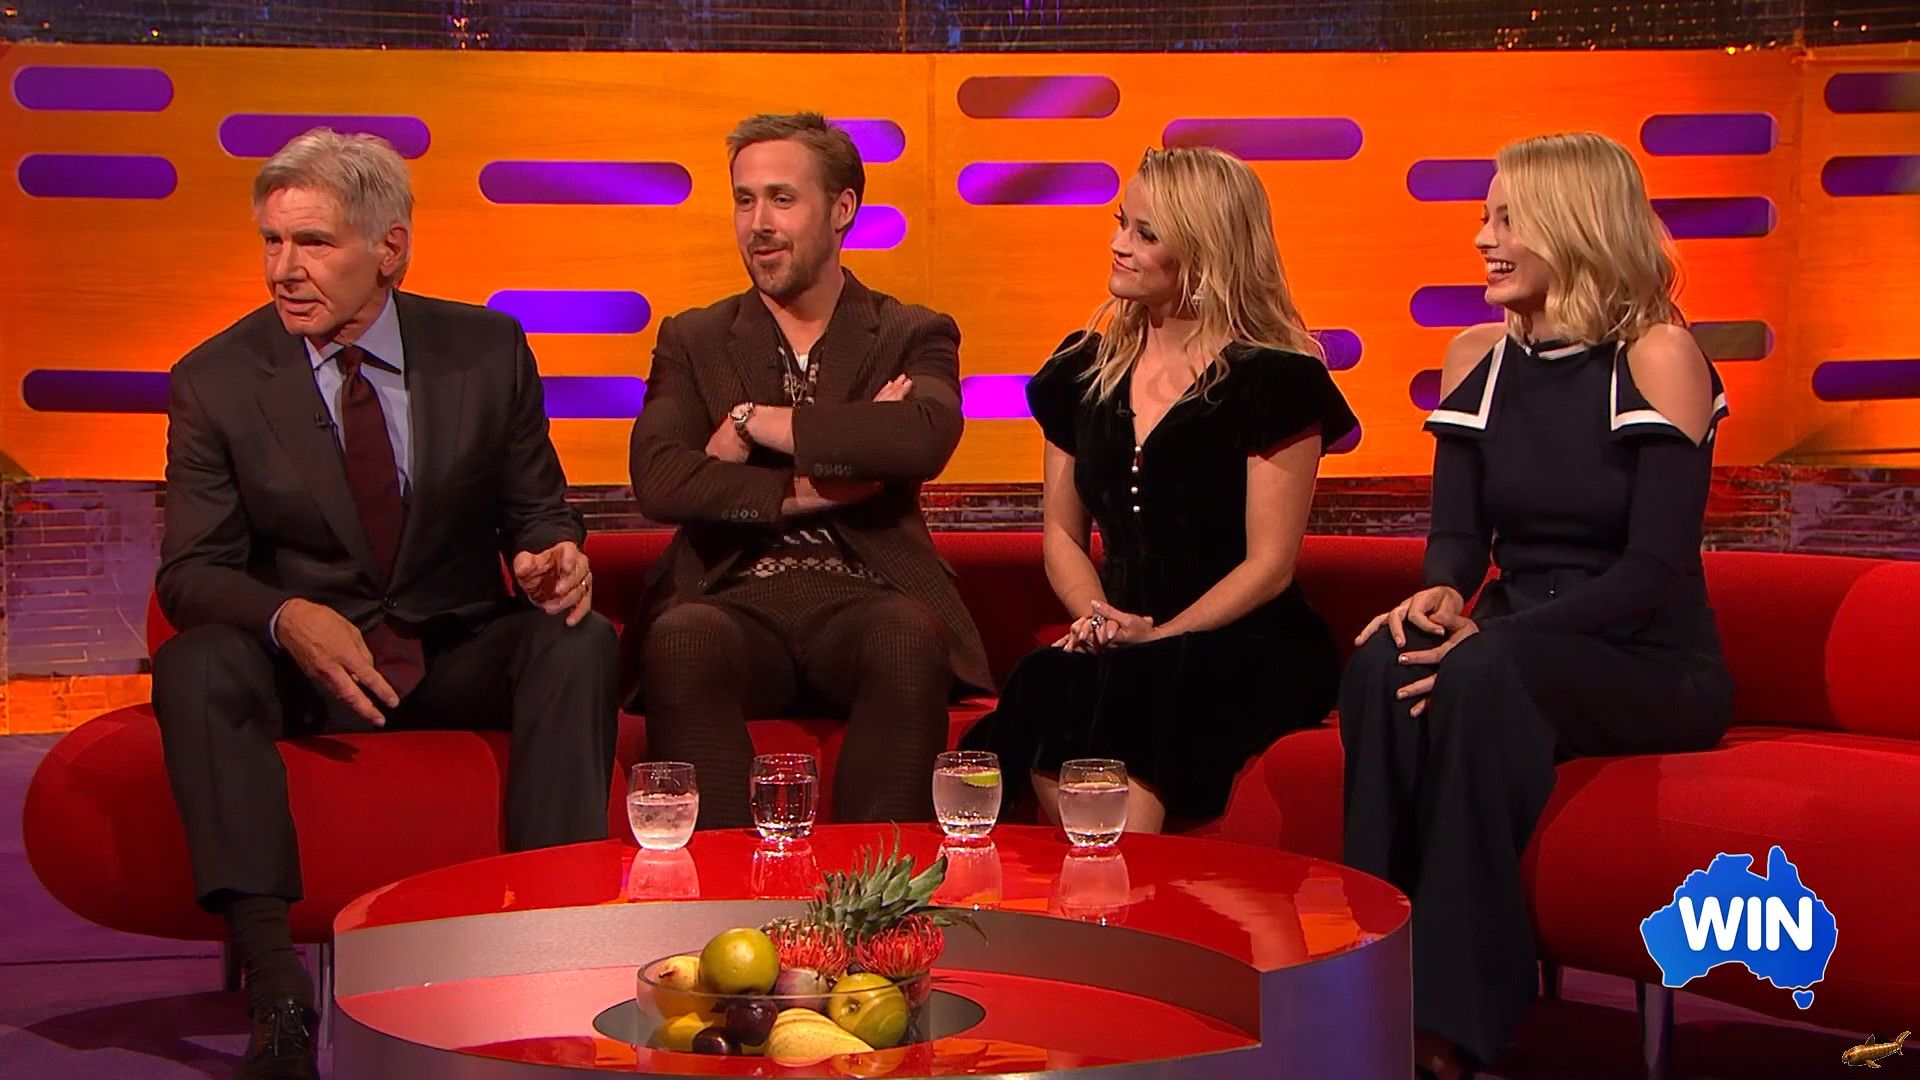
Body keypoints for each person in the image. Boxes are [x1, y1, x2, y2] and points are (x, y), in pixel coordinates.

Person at [152, 129, 619, 1080]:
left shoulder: (485, 350)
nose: (284, 269)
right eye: (272, 242)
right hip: (306, 671)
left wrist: (552, 556)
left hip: (449, 648)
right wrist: (288, 617)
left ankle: (546, 944)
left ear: (389, 248)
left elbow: (537, 509)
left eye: (313, 243)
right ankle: (278, 989)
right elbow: (192, 570)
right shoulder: (217, 378)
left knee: (579, 640)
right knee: (197, 662)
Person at [1338, 132, 1734, 1080]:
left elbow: (1653, 569)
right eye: (1486, 217)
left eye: (1508, 219)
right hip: (1514, 639)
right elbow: (1459, 540)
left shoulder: (1659, 354)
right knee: (1382, 661)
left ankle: (1457, 1018)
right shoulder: (1476, 356)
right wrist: (1441, 593)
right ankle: (1365, 975)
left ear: (1575, 225)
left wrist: (1495, 636)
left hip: (1645, 656)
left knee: (1480, 669)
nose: (1484, 239)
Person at [960, 146, 1358, 834]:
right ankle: (1101, 877)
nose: (1119, 244)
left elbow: (1269, 566)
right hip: (1120, 637)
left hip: (1247, 639)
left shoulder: (1277, 382)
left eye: (1145, 234)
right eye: (1121, 223)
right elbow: (1061, 535)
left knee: (1146, 684)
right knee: (1044, 681)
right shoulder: (1081, 372)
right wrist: (1097, 620)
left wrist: (1161, 636)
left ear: (1205, 253)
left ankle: (1125, 880)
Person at [626, 112, 990, 830]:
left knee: (906, 637)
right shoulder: (695, 337)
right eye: (745, 200)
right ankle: (726, 892)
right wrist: (811, 485)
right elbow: (661, 477)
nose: (759, 223)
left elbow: (918, 441)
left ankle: (872, 890)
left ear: (843, 208)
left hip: (867, 596)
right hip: (731, 598)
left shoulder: (910, 331)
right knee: (680, 637)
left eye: (782, 199)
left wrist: (750, 424)